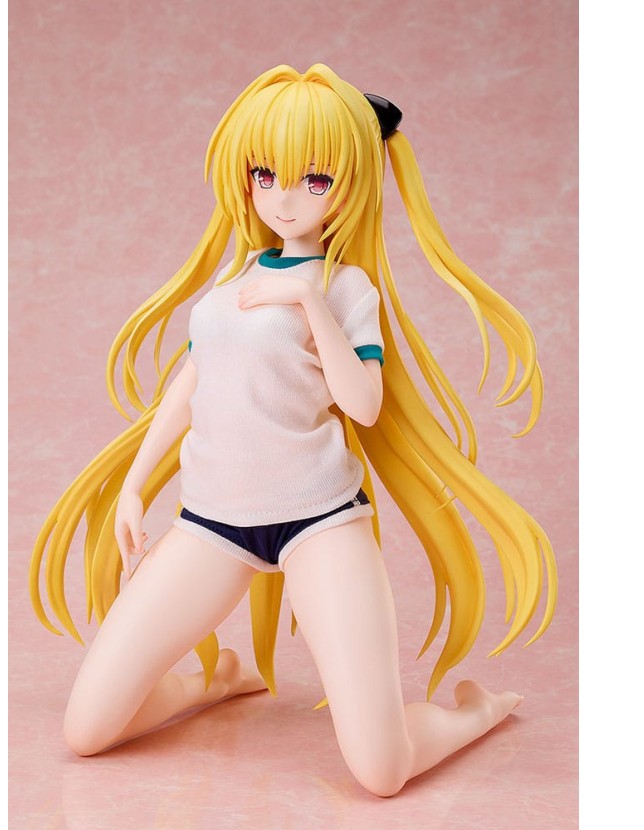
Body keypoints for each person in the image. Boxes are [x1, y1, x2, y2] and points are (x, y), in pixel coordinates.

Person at [30, 64, 557, 798]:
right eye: (265, 174)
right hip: (211, 522)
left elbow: (363, 405)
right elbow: (191, 384)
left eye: (314, 180)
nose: (283, 198)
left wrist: (308, 302)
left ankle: (474, 712)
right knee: (85, 731)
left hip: (319, 522)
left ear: (349, 185)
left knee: (381, 772)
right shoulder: (231, 283)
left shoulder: (345, 287)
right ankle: (217, 681)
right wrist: (133, 485)